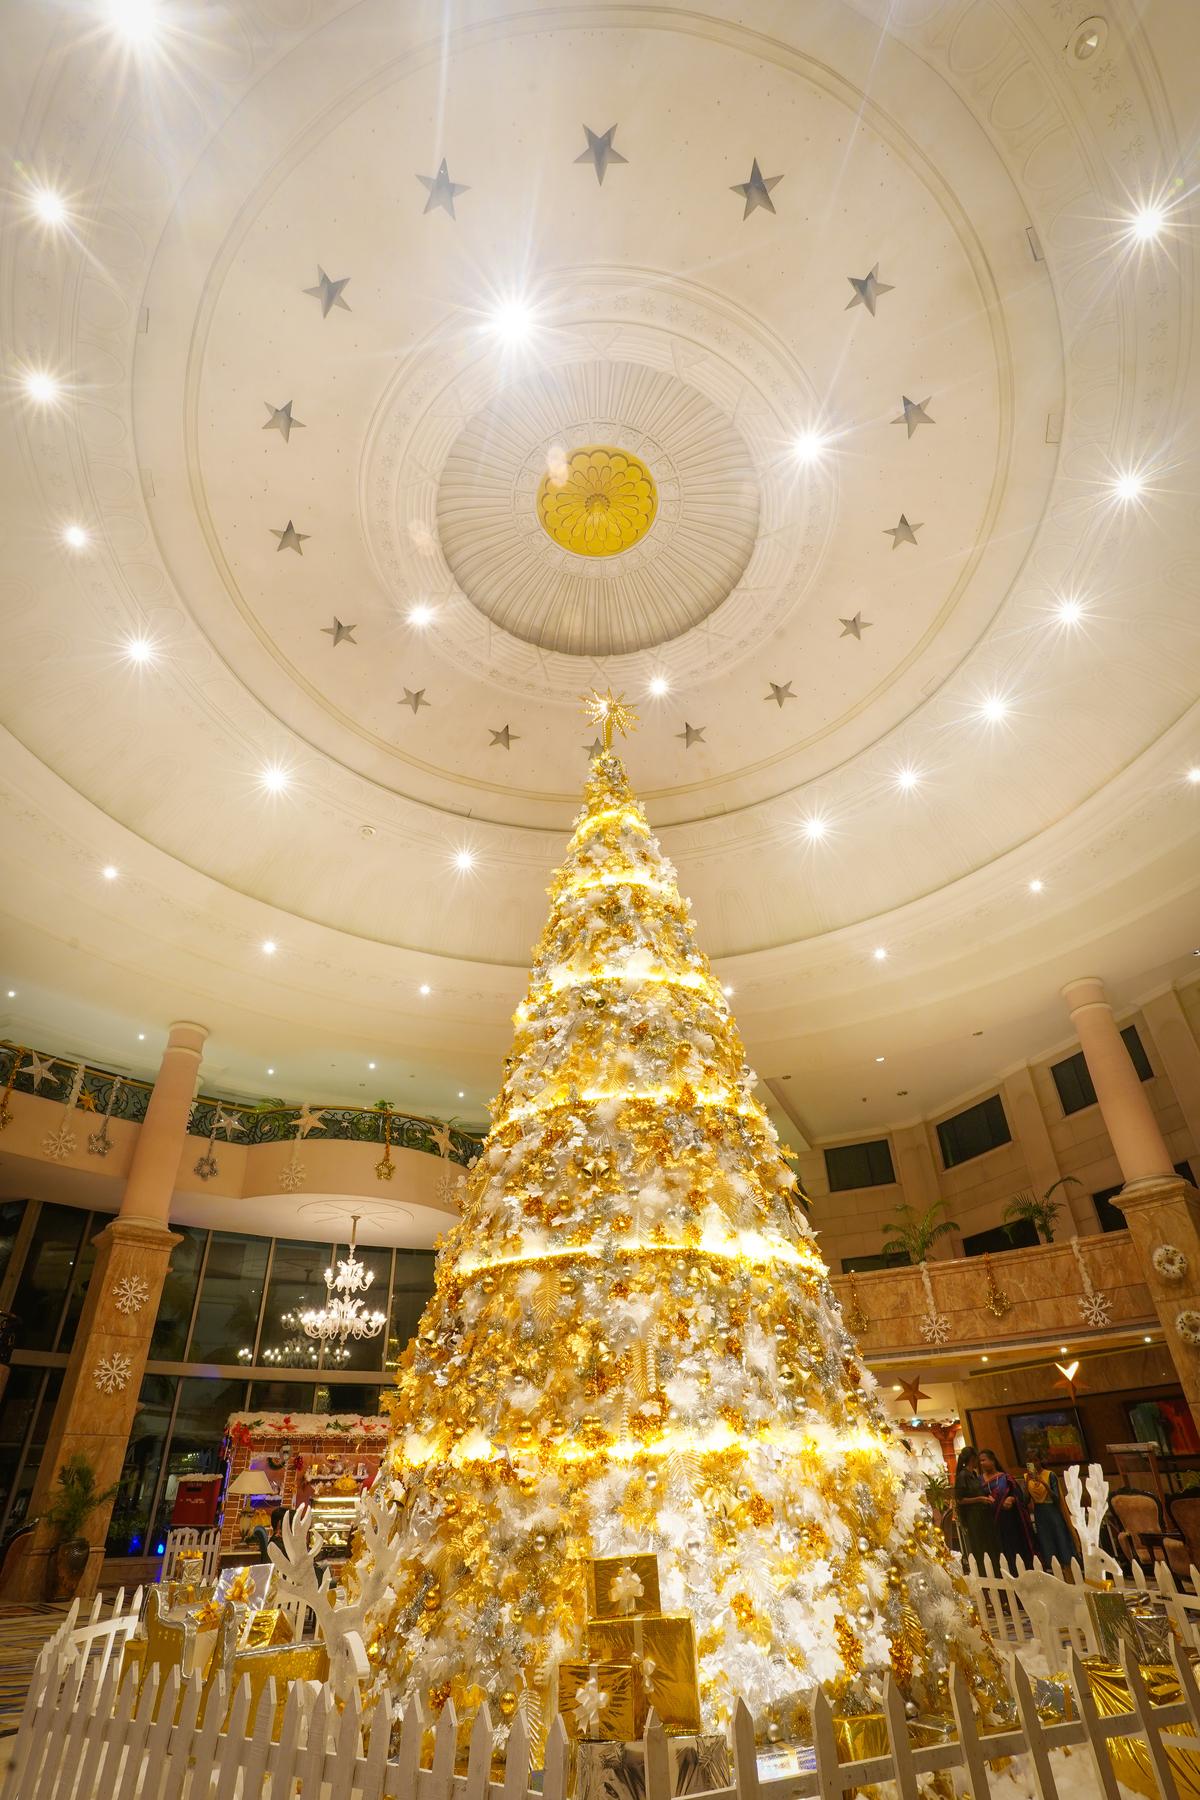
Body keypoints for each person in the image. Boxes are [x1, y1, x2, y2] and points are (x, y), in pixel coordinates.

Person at [978, 1447, 1037, 1569]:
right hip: (989, 1521)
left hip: (1007, 1521)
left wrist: (1011, 1499)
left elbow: (1019, 1496)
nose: (981, 1463)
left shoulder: (1005, 1478)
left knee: (1012, 1547)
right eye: (980, 1461)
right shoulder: (978, 1480)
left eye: (984, 1460)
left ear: (992, 1461)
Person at [1024, 1462, 1080, 1569]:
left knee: (1060, 1538)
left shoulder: (1050, 1475)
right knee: (1046, 1541)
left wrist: (1045, 1484)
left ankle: (1068, 1568)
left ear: (1039, 1461)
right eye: (1029, 1461)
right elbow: (1025, 1500)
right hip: (1040, 1513)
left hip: (1052, 1511)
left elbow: (1056, 1498)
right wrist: (1027, 1483)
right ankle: (1054, 1568)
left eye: (1034, 1460)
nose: (1033, 1464)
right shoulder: (1027, 1477)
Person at [954, 1445, 1000, 1570]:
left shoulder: (973, 1474)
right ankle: (984, 1572)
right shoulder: (963, 1476)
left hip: (982, 1515)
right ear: (972, 1459)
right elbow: (960, 1500)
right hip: (973, 1516)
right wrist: (979, 1499)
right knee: (979, 1546)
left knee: (988, 1544)